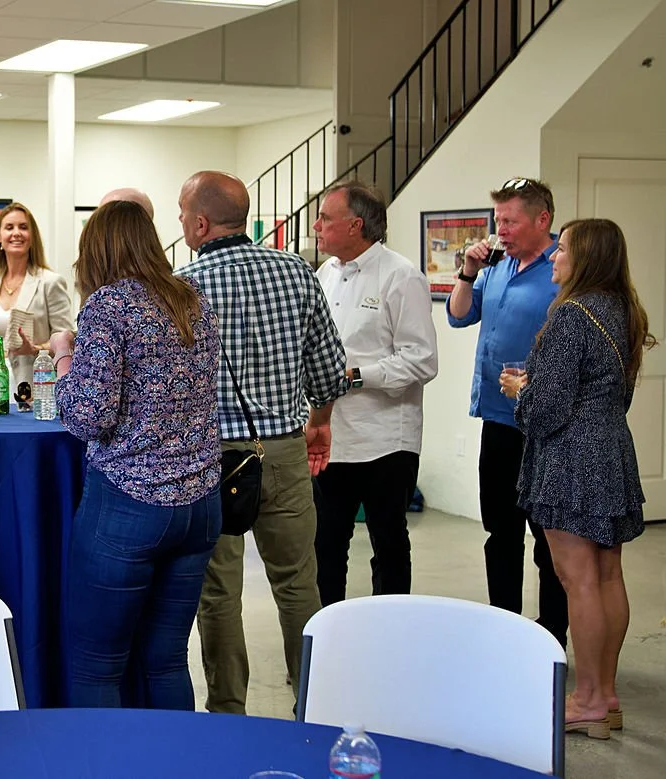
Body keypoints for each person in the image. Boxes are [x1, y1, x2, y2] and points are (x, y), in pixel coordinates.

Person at [178, 170, 346, 715]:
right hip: (283, 450)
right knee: (299, 584)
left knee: (219, 594)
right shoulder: (299, 273)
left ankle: (228, 712)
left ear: (200, 223)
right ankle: (313, 704)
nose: (181, 225)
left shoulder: (184, 285)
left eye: (182, 216)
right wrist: (317, 420)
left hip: (212, 460)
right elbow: (327, 373)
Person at [49, 200, 221, 709]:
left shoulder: (107, 305)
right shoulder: (193, 300)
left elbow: (88, 416)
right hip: (200, 502)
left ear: (96, 252)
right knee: (166, 659)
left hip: (129, 505)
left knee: (97, 666)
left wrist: (63, 354)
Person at [502, 218, 653, 738]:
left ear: (583, 257)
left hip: (571, 459)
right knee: (608, 576)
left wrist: (521, 390)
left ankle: (586, 699)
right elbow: (614, 394)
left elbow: (547, 410)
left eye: (562, 248)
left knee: (578, 581)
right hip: (612, 448)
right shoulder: (623, 310)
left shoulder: (570, 316)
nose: (555, 256)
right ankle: (605, 693)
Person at [447, 177, 569, 648]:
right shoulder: (495, 263)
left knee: (547, 539)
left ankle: (550, 636)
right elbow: (459, 316)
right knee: (500, 531)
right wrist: (467, 270)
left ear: (542, 220)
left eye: (511, 221)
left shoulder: (562, 267)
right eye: (498, 220)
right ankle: (505, 631)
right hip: (497, 419)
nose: (502, 229)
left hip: (545, 425)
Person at [312, 182, 438, 604]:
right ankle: (328, 636)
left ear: (356, 225)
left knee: (388, 543)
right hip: (331, 436)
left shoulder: (401, 276)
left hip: (387, 439)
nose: (316, 226)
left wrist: (357, 376)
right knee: (326, 543)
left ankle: (390, 632)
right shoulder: (325, 274)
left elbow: (422, 360)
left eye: (326, 218)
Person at [0, 202, 72, 387]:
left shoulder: (50, 282)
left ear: (32, 237)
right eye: (9, 227)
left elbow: (67, 344)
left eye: (23, 227)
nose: (16, 233)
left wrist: (35, 349)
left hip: (36, 392)